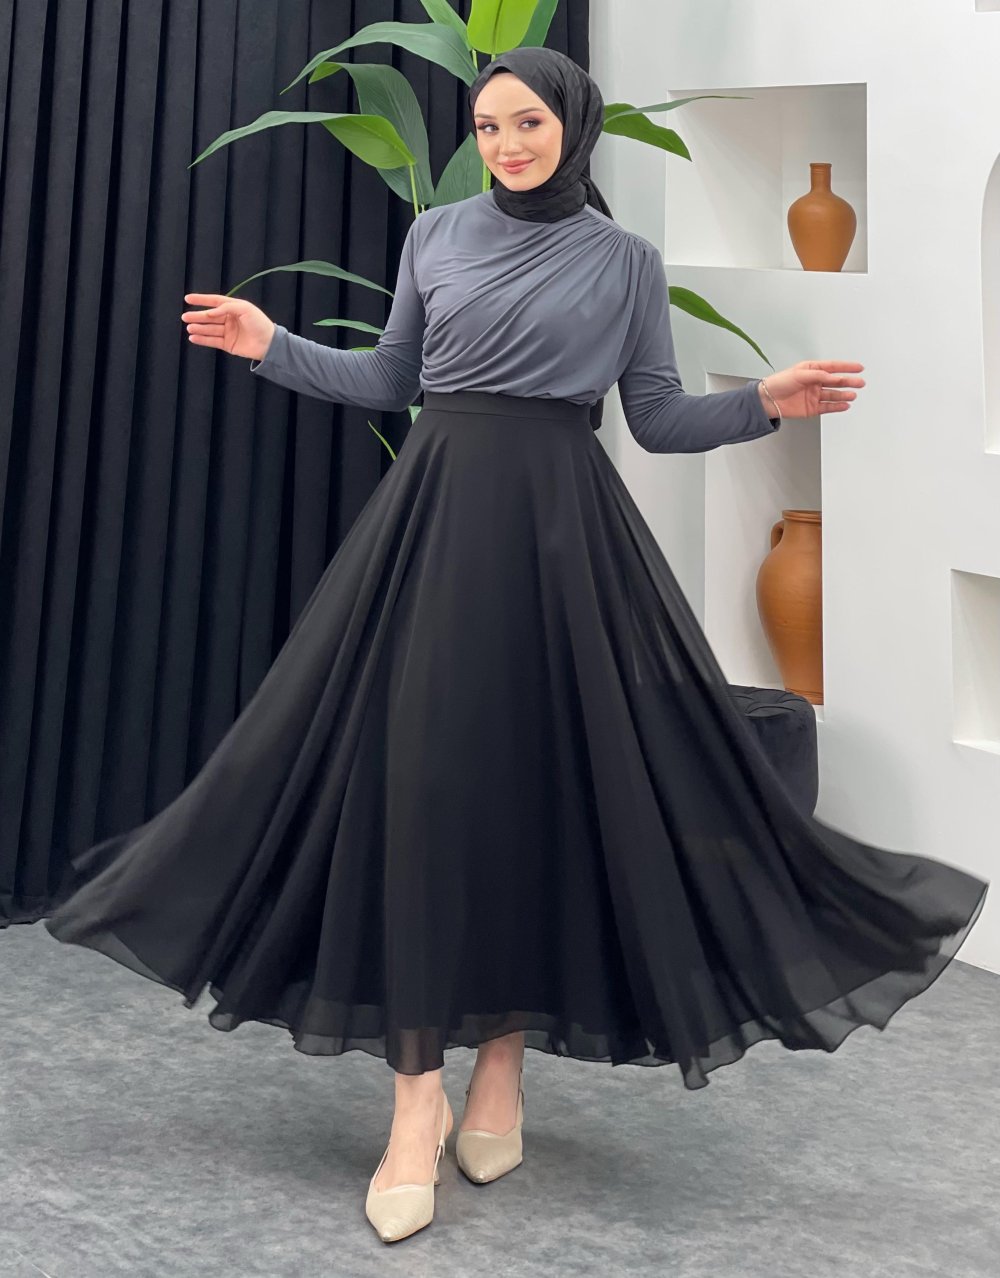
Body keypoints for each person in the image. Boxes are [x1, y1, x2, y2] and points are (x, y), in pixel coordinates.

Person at [45, 47, 988, 1246]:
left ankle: (501, 1069)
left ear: (571, 125)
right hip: (436, 526)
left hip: (564, 539)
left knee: (534, 795)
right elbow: (392, 377)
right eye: (488, 126)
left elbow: (654, 416)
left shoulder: (623, 260)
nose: (506, 144)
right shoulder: (436, 235)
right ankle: (413, 1108)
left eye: (527, 122)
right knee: (421, 795)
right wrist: (269, 343)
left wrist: (763, 402)